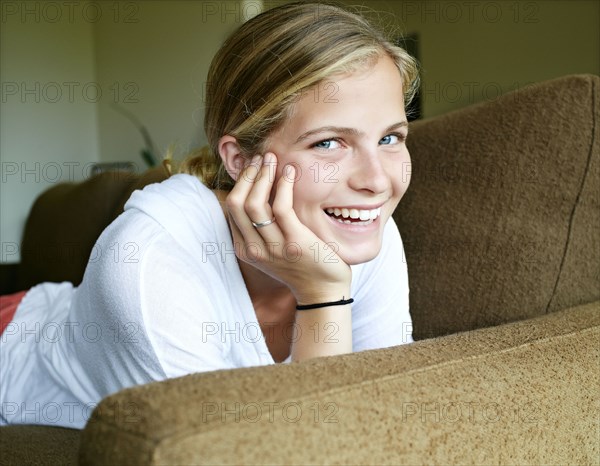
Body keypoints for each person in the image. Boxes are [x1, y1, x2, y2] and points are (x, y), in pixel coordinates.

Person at [0, 1, 419, 429]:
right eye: (328, 143)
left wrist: (323, 290)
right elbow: (292, 449)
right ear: (238, 160)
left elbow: (377, 415)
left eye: (390, 137)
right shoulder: (149, 261)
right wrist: (325, 293)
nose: (378, 181)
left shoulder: (361, 224)